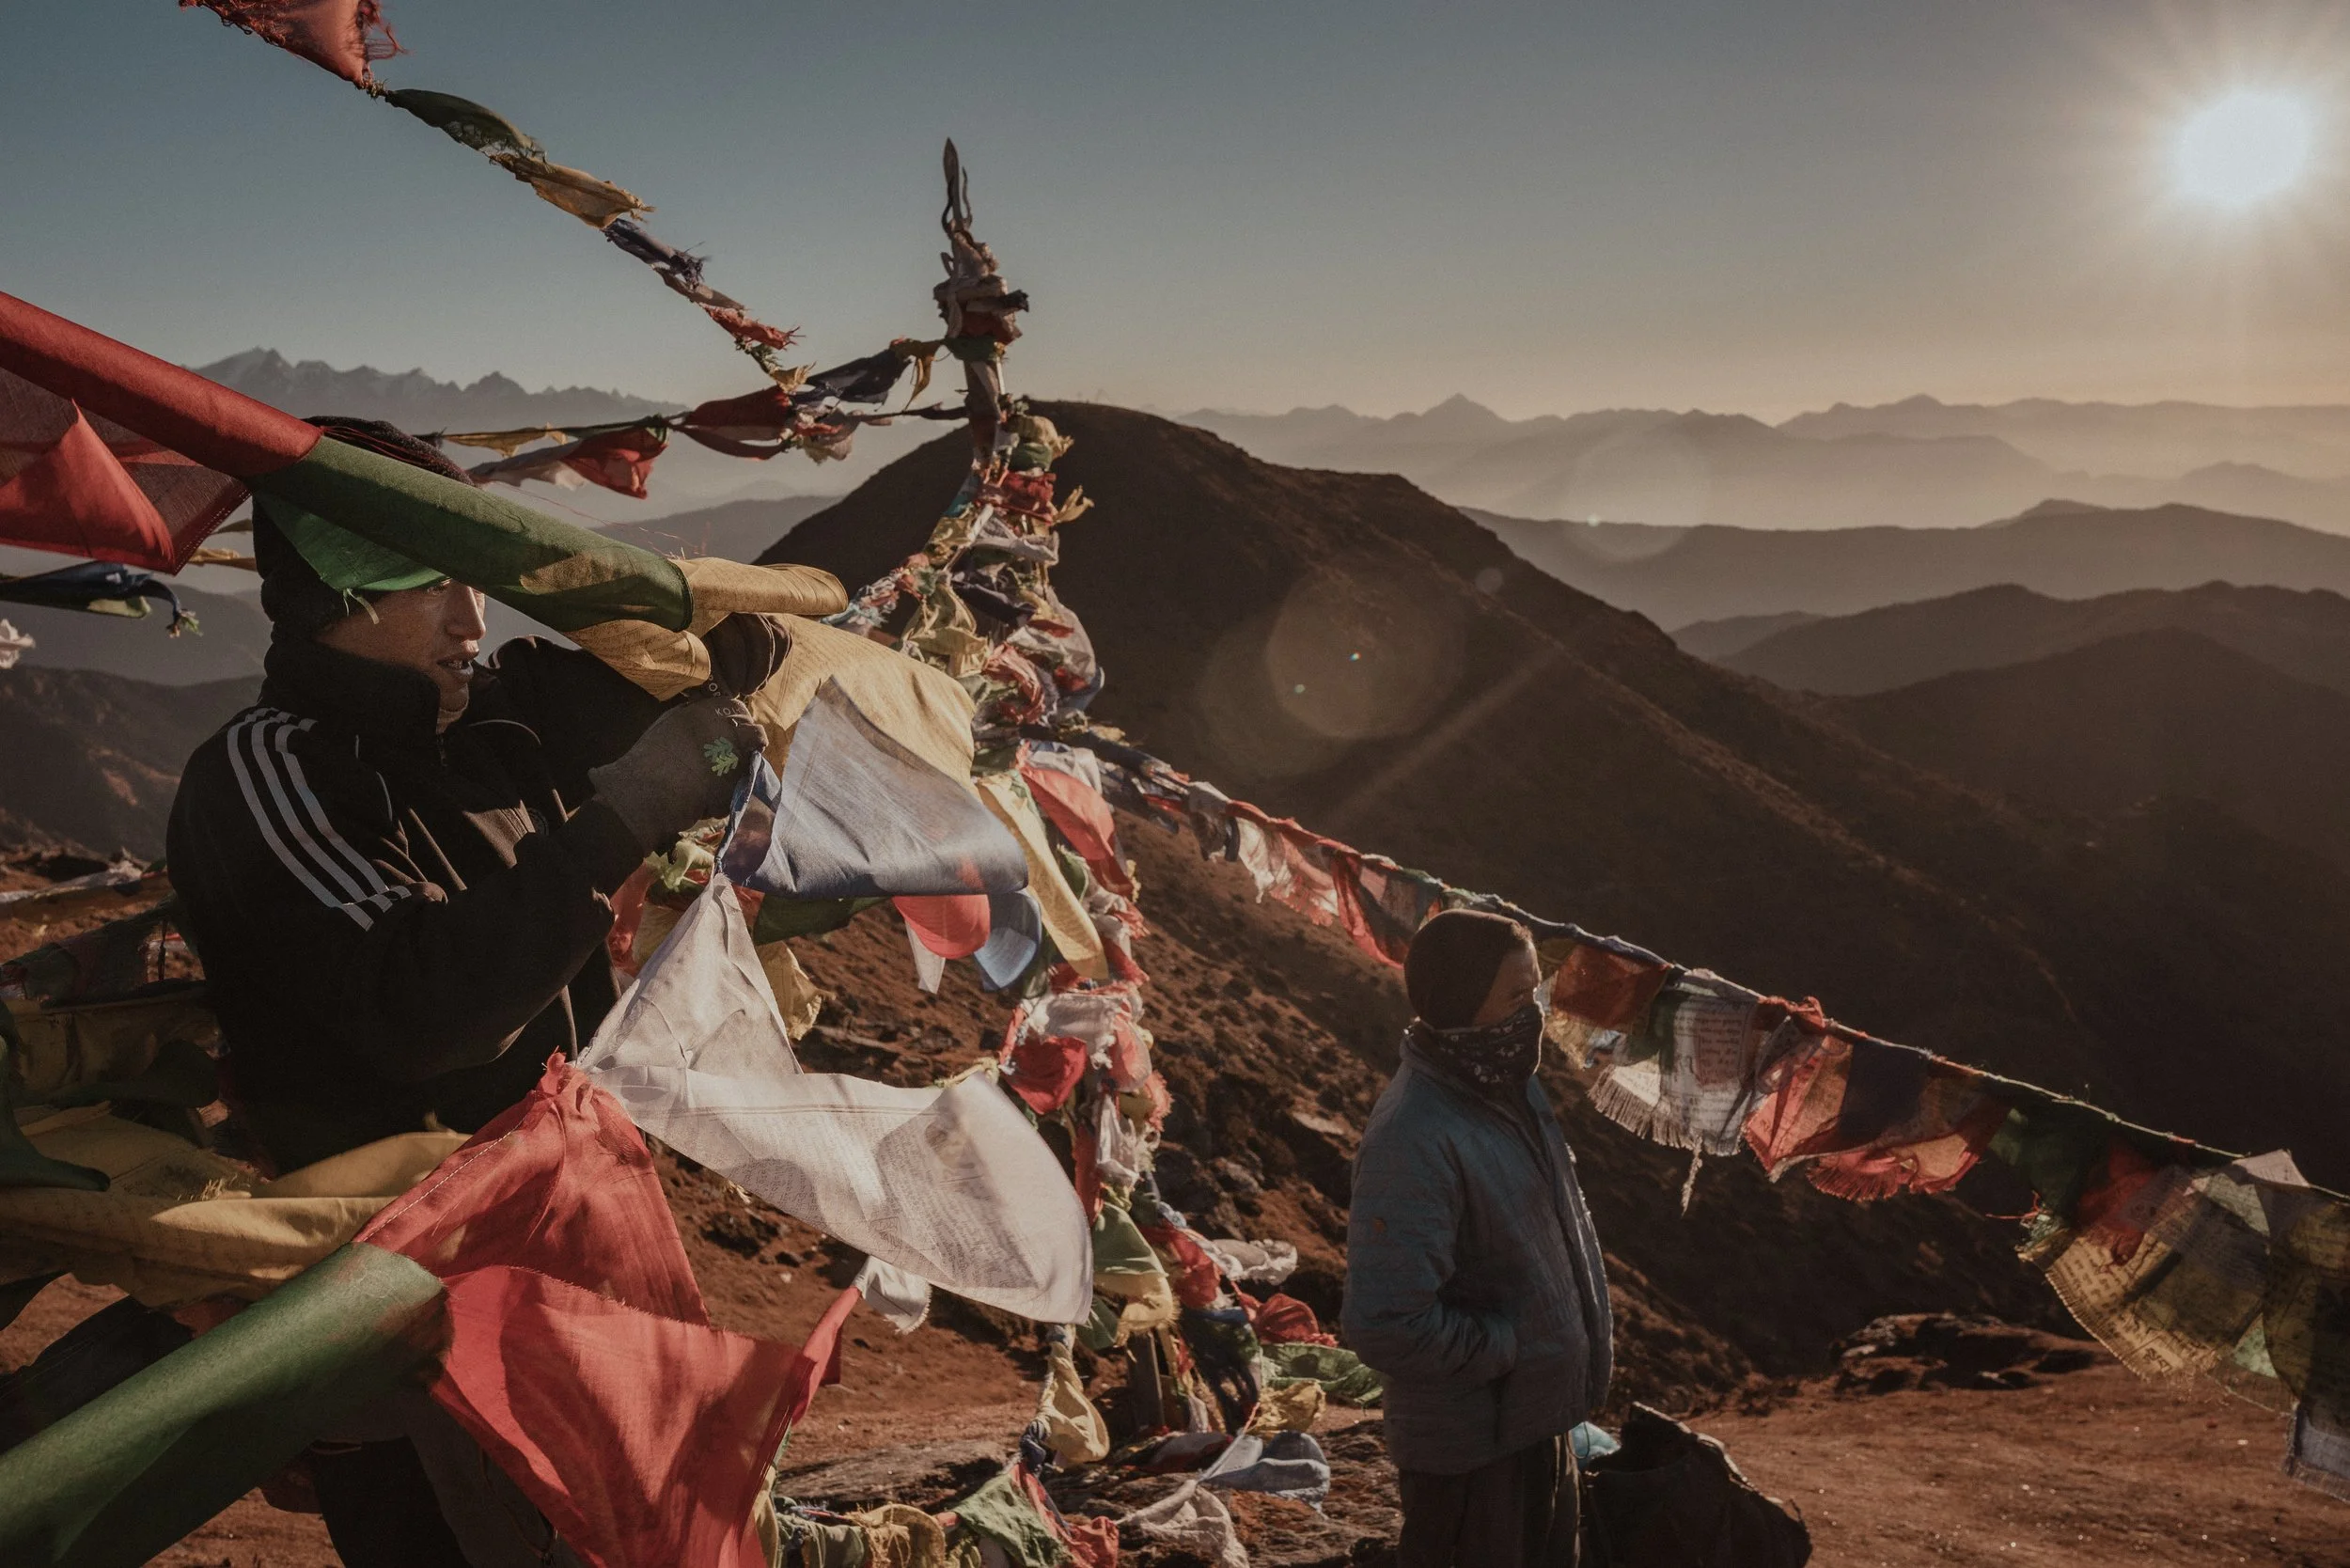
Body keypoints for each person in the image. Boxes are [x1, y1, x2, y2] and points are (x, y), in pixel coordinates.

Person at [164, 417, 794, 1567]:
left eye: (476, 583)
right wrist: (623, 820)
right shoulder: (271, 773)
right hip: (402, 1312)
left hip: (567, 1250)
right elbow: (420, 1009)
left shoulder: (481, 726)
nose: (473, 620)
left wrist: (705, 646)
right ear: (331, 603)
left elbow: (651, 684)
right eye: (432, 589)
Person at [1342, 909, 1614, 1568]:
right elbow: (1384, 1323)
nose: (1536, 1015)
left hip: (1530, 1425)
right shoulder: (1415, 1135)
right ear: (1465, 1004)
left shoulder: (1504, 1088)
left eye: (1535, 993)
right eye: (1517, 997)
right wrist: (1507, 1351)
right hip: (1471, 1453)